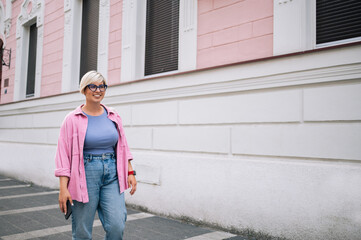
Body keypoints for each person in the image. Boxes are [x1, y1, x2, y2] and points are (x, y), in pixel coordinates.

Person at [55, 70, 137, 240]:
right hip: (84, 174)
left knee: (116, 224)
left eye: (102, 86)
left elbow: (123, 146)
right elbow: (63, 155)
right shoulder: (72, 119)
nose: (98, 90)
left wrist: (130, 172)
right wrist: (63, 188)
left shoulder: (113, 115)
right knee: (83, 230)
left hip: (112, 173)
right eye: (93, 86)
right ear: (84, 89)